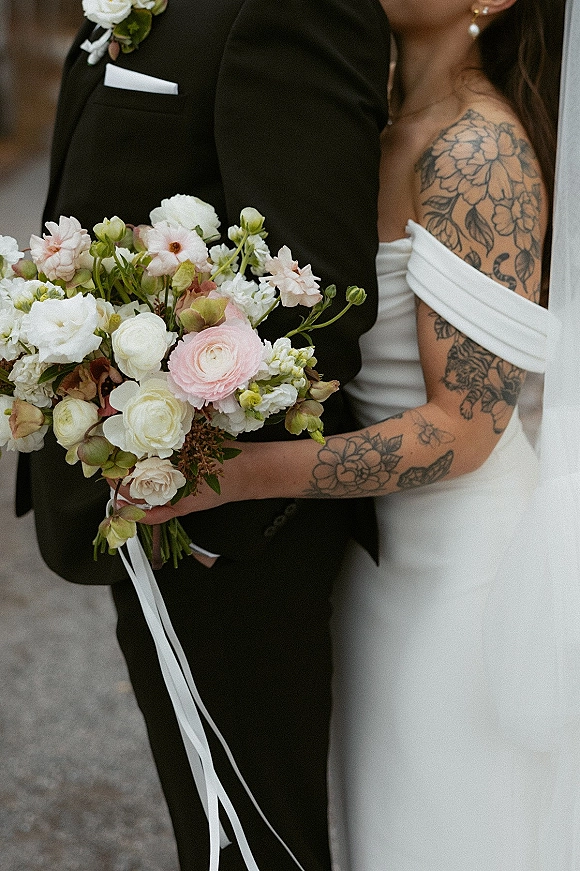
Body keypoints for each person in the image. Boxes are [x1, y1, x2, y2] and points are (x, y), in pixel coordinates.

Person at [136, 1, 569, 868]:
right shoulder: (372, 123)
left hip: (466, 579)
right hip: (379, 568)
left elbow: (463, 431)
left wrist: (235, 475)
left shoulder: (477, 151)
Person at [14, 2, 392, 870]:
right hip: (143, 496)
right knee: (213, 831)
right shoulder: (123, 10)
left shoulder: (289, 11)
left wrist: (166, 438)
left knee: (255, 841)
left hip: (226, 525)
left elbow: (316, 298)